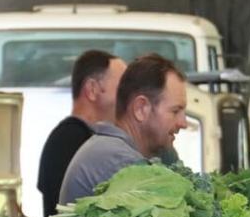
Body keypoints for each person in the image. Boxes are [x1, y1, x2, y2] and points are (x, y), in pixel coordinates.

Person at [59, 54, 189, 205]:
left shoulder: (116, 149)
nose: (183, 123)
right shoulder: (117, 160)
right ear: (141, 109)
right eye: (175, 111)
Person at [36, 50, 127, 217]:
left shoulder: (76, 136)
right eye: (122, 88)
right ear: (92, 89)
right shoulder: (69, 140)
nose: (128, 97)